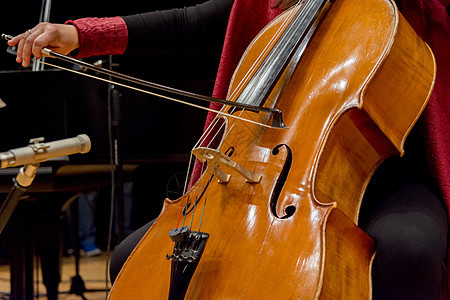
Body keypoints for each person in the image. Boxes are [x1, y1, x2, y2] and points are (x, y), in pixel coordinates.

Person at [8, 0, 450, 299]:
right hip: (273, 172)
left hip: (388, 168)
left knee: (409, 252)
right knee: (131, 260)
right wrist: (80, 34)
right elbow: (191, 24)